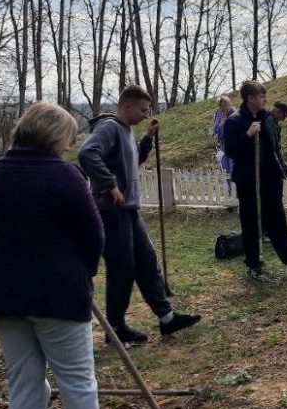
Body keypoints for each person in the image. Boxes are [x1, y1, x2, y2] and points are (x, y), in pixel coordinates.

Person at [0, 102, 141, 409]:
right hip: (59, 293)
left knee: (25, 383)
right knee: (77, 380)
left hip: (6, 295)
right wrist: (83, 272)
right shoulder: (65, 175)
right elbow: (94, 235)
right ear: (55, 137)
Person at [78, 86, 201, 345]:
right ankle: (116, 328)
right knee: (122, 268)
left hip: (128, 209)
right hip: (111, 210)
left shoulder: (126, 131)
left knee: (146, 260)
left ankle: (167, 318)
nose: (146, 115)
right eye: (143, 110)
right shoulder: (109, 128)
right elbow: (87, 153)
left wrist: (147, 138)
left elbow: (134, 160)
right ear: (127, 106)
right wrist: (110, 184)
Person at [224, 80, 287, 281]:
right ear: (250, 99)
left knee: (278, 222)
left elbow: (275, 150)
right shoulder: (235, 121)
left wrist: (283, 170)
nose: (265, 100)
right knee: (251, 223)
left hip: (270, 180)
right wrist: (248, 135)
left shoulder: (267, 119)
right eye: (261, 96)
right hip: (249, 181)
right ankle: (254, 265)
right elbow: (230, 150)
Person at [212, 96, 237, 179]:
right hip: (223, 147)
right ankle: (229, 191)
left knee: (234, 171)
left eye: (224, 106)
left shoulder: (235, 115)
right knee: (226, 172)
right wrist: (218, 125)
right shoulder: (219, 113)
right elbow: (216, 129)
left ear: (229, 105)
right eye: (220, 106)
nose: (222, 109)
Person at [270, 101, 287, 180]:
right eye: (283, 116)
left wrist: (285, 170)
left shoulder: (273, 125)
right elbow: (273, 151)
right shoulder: (269, 125)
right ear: (278, 112)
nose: (283, 120)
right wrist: (283, 171)